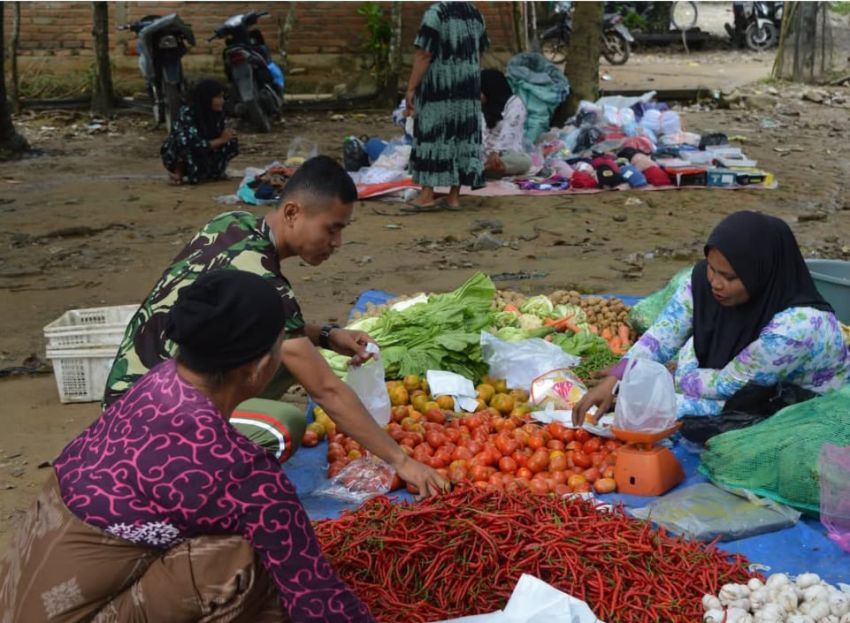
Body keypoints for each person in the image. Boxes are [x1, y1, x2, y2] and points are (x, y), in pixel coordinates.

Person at [0, 271, 376, 622]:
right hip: (75, 611)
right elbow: (317, 598)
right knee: (245, 561)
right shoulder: (244, 474)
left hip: (19, 595)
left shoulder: (157, 382)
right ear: (262, 367)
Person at [103, 155, 448, 496]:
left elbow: (273, 328)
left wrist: (327, 336)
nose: (337, 243)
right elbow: (326, 389)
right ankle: (193, 489)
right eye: (332, 228)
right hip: (147, 426)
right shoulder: (267, 282)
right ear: (293, 213)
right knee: (285, 426)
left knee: (283, 350)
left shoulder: (230, 223)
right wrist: (401, 462)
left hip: (135, 391)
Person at [574, 211, 850, 424]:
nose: (715, 283)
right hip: (733, 381)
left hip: (794, 405)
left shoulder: (795, 329)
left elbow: (730, 389)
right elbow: (662, 337)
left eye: (729, 277)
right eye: (712, 268)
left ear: (762, 275)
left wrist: (644, 397)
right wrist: (618, 377)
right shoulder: (701, 282)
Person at [404, 2, 488, 212]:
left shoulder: (436, 14)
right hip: (467, 89)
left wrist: (411, 88)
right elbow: (479, 54)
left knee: (432, 136)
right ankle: (453, 198)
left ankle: (426, 195)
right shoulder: (476, 14)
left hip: (439, 89)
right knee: (462, 137)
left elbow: (424, 54)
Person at [161, 79, 239, 185]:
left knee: (231, 141)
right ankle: (179, 172)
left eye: (222, 97)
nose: (222, 101)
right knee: (183, 141)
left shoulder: (217, 114)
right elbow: (193, 143)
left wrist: (224, 138)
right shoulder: (187, 113)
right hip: (188, 152)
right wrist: (221, 140)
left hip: (205, 150)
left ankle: (214, 172)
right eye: (218, 97)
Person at [480, 68, 531, 179]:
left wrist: (495, 152)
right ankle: (485, 170)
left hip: (505, 155)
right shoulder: (479, 107)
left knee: (525, 161)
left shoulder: (515, 104)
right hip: (482, 156)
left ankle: (488, 170)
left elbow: (509, 130)